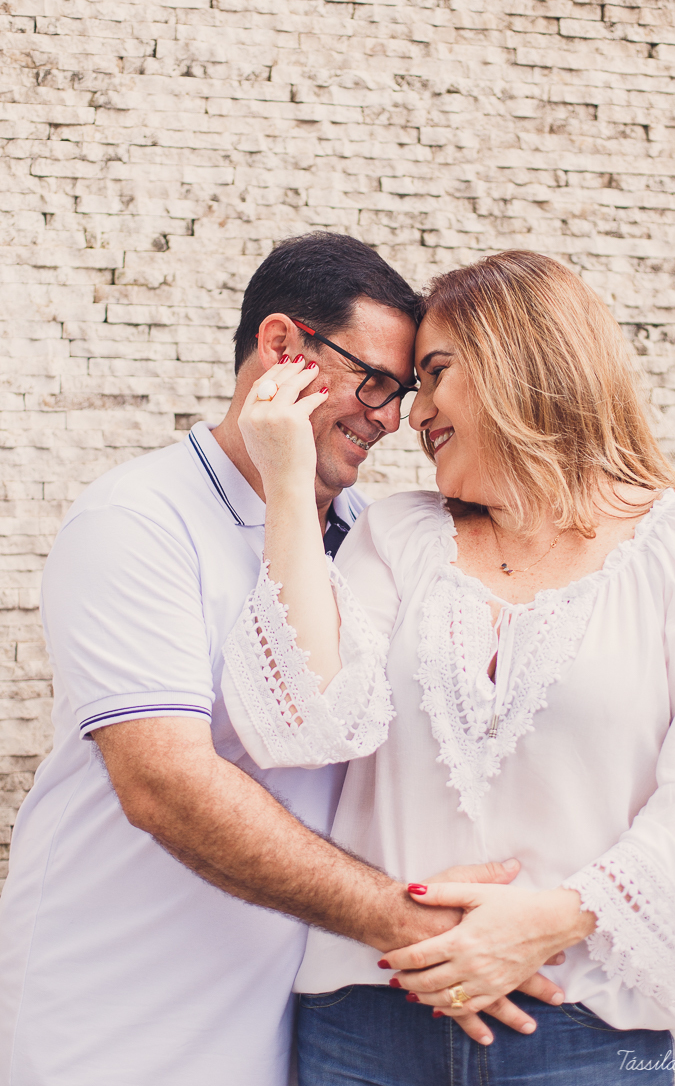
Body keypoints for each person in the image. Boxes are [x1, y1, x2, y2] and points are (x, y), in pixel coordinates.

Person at [0, 233, 558, 1086]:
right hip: (108, 1022)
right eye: (371, 381)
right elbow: (166, 787)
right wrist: (414, 926)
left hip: (287, 1035)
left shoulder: (379, 538)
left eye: (403, 392)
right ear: (280, 349)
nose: (389, 416)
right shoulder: (138, 521)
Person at [222, 250, 675, 1085]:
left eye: (436, 375)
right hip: (363, 1019)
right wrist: (288, 483)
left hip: (579, 1028)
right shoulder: (398, 535)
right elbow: (301, 721)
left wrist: (549, 919)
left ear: (525, 359)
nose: (415, 416)